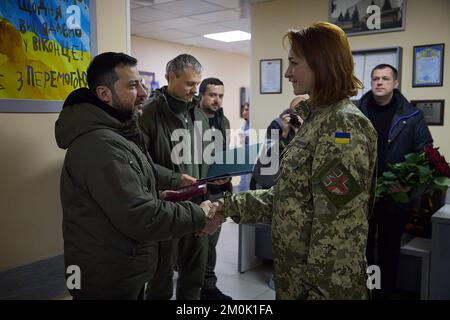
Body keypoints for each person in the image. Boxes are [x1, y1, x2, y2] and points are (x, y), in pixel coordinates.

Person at [208, 22, 378, 299]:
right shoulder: (316, 119)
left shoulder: (342, 125)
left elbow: (338, 229)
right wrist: (225, 207)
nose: (287, 73)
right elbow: (291, 198)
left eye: (293, 63)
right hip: (295, 280)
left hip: (319, 289)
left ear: (321, 64)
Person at [54, 52, 222, 299]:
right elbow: (139, 214)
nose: (144, 92)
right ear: (104, 94)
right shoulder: (101, 146)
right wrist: (199, 214)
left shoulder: (116, 134)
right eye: (133, 85)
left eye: (141, 83)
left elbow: (131, 181)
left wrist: (159, 192)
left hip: (123, 266)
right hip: (107, 276)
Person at [358, 64, 433, 299]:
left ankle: (384, 294)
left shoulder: (411, 115)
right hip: (362, 198)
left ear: (395, 83)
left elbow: (426, 156)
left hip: (394, 196)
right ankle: (369, 292)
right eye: (375, 79)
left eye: (385, 78)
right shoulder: (356, 112)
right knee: (364, 250)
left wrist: (409, 185)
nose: (379, 82)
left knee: (390, 251)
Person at [139, 54, 210, 300]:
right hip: (164, 207)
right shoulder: (148, 113)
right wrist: (174, 178)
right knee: (161, 276)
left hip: (196, 204)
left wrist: (215, 176)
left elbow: (204, 157)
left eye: (197, 84)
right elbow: (139, 164)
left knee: (194, 271)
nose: (195, 89)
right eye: (190, 83)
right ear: (170, 77)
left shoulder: (199, 114)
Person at [197, 77, 233, 300]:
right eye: (212, 95)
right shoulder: (190, 121)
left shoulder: (224, 121)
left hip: (218, 190)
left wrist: (226, 172)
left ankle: (208, 286)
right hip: (196, 190)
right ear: (201, 95)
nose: (217, 100)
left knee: (211, 243)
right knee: (197, 244)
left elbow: (222, 155)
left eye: (220, 96)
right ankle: (196, 286)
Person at [250, 96, 305, 190]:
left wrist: (301, 131)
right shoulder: (277, 124)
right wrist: (284, 134)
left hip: (285, 183)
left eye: (301, 109)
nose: (297, 114)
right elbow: (269, 153)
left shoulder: (308, 126)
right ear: (290, 111)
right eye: (295, 111)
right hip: (265, 181)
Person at [238, 102, 251, 191]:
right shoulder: (245, 124)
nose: (243, 113)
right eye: (243, 110)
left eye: (246, 110)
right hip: (245, 157)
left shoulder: (255, 125)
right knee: (243, 182)